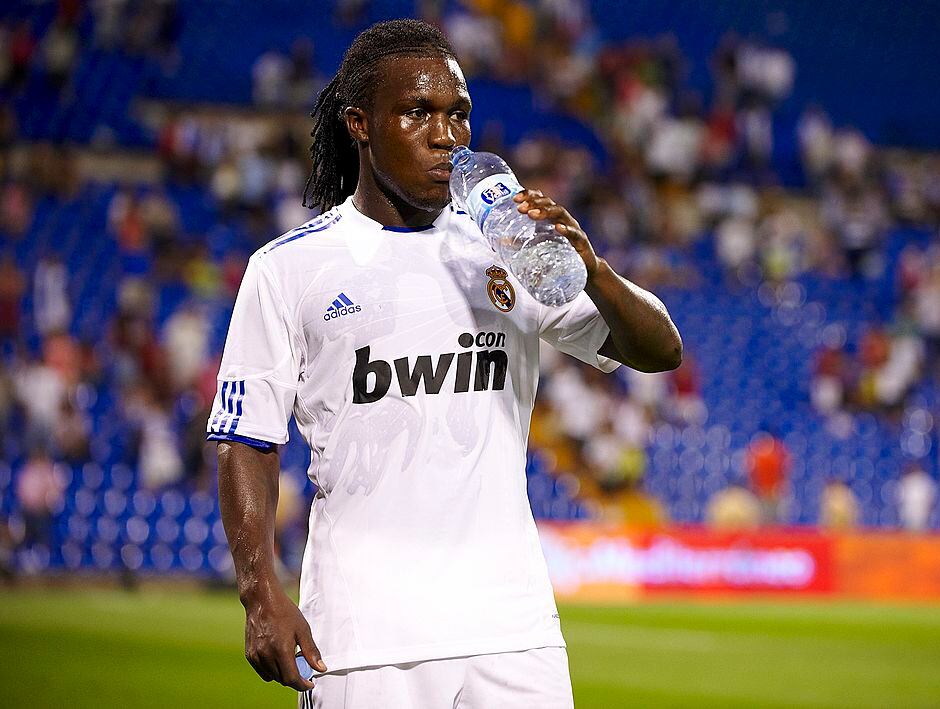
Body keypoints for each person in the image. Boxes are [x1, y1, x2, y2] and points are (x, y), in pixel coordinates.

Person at [208, 19, 681, 708]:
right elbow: (245, 438)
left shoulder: (508, 252)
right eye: (418, 112)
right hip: (365, 638)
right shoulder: (289, 268)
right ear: (360, 124)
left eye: (458, 113)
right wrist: (259, 592)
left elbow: (660, 349)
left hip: (512, 629)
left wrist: (595, 270)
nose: (446, 134)